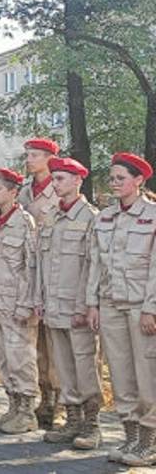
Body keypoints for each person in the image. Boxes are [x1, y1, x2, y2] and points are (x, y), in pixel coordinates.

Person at [86, 153, 156, 466]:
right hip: (111, 303)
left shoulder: (152, 216)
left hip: (141, 307)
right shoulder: (105, 217)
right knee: (121, 374)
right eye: (111, 178)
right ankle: (130, 438)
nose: (114, 184)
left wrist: (151, 308)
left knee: (147, 375)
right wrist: (93, 303)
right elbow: (96, 265)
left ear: (139, 180)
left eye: (121, 178)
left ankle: (150, 442)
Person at [37, 157, 102, 449]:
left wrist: (86, 305)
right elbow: (40, 262)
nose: (56, 183)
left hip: (76, 308)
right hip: (53, 307)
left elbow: (93, 267)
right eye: (54, 178)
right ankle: (72, 421)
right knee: (62, 367)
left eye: (62, 178)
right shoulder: (51, 216)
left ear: (78, 181)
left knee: (85, 366)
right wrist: (39, 298)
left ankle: (92, 426)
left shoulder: (91, 218)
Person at [0, 167, 41, 434]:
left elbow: (31, 266)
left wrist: (27, 303)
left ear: (13, 192)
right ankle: (13, 407)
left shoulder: (24, 221)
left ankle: (27, 412)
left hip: (17, 302)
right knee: (4, 358)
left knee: (21, 358)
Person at [20, 137, 64, 430]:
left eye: (35, 155)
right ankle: (44, 397)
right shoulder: (23, 191)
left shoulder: (60, 188)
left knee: (56, 342)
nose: (29, 159)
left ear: (49, 158)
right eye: (27, 154)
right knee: (34, 341)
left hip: (55, 271)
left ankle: (60, 403)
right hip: (28, 272)